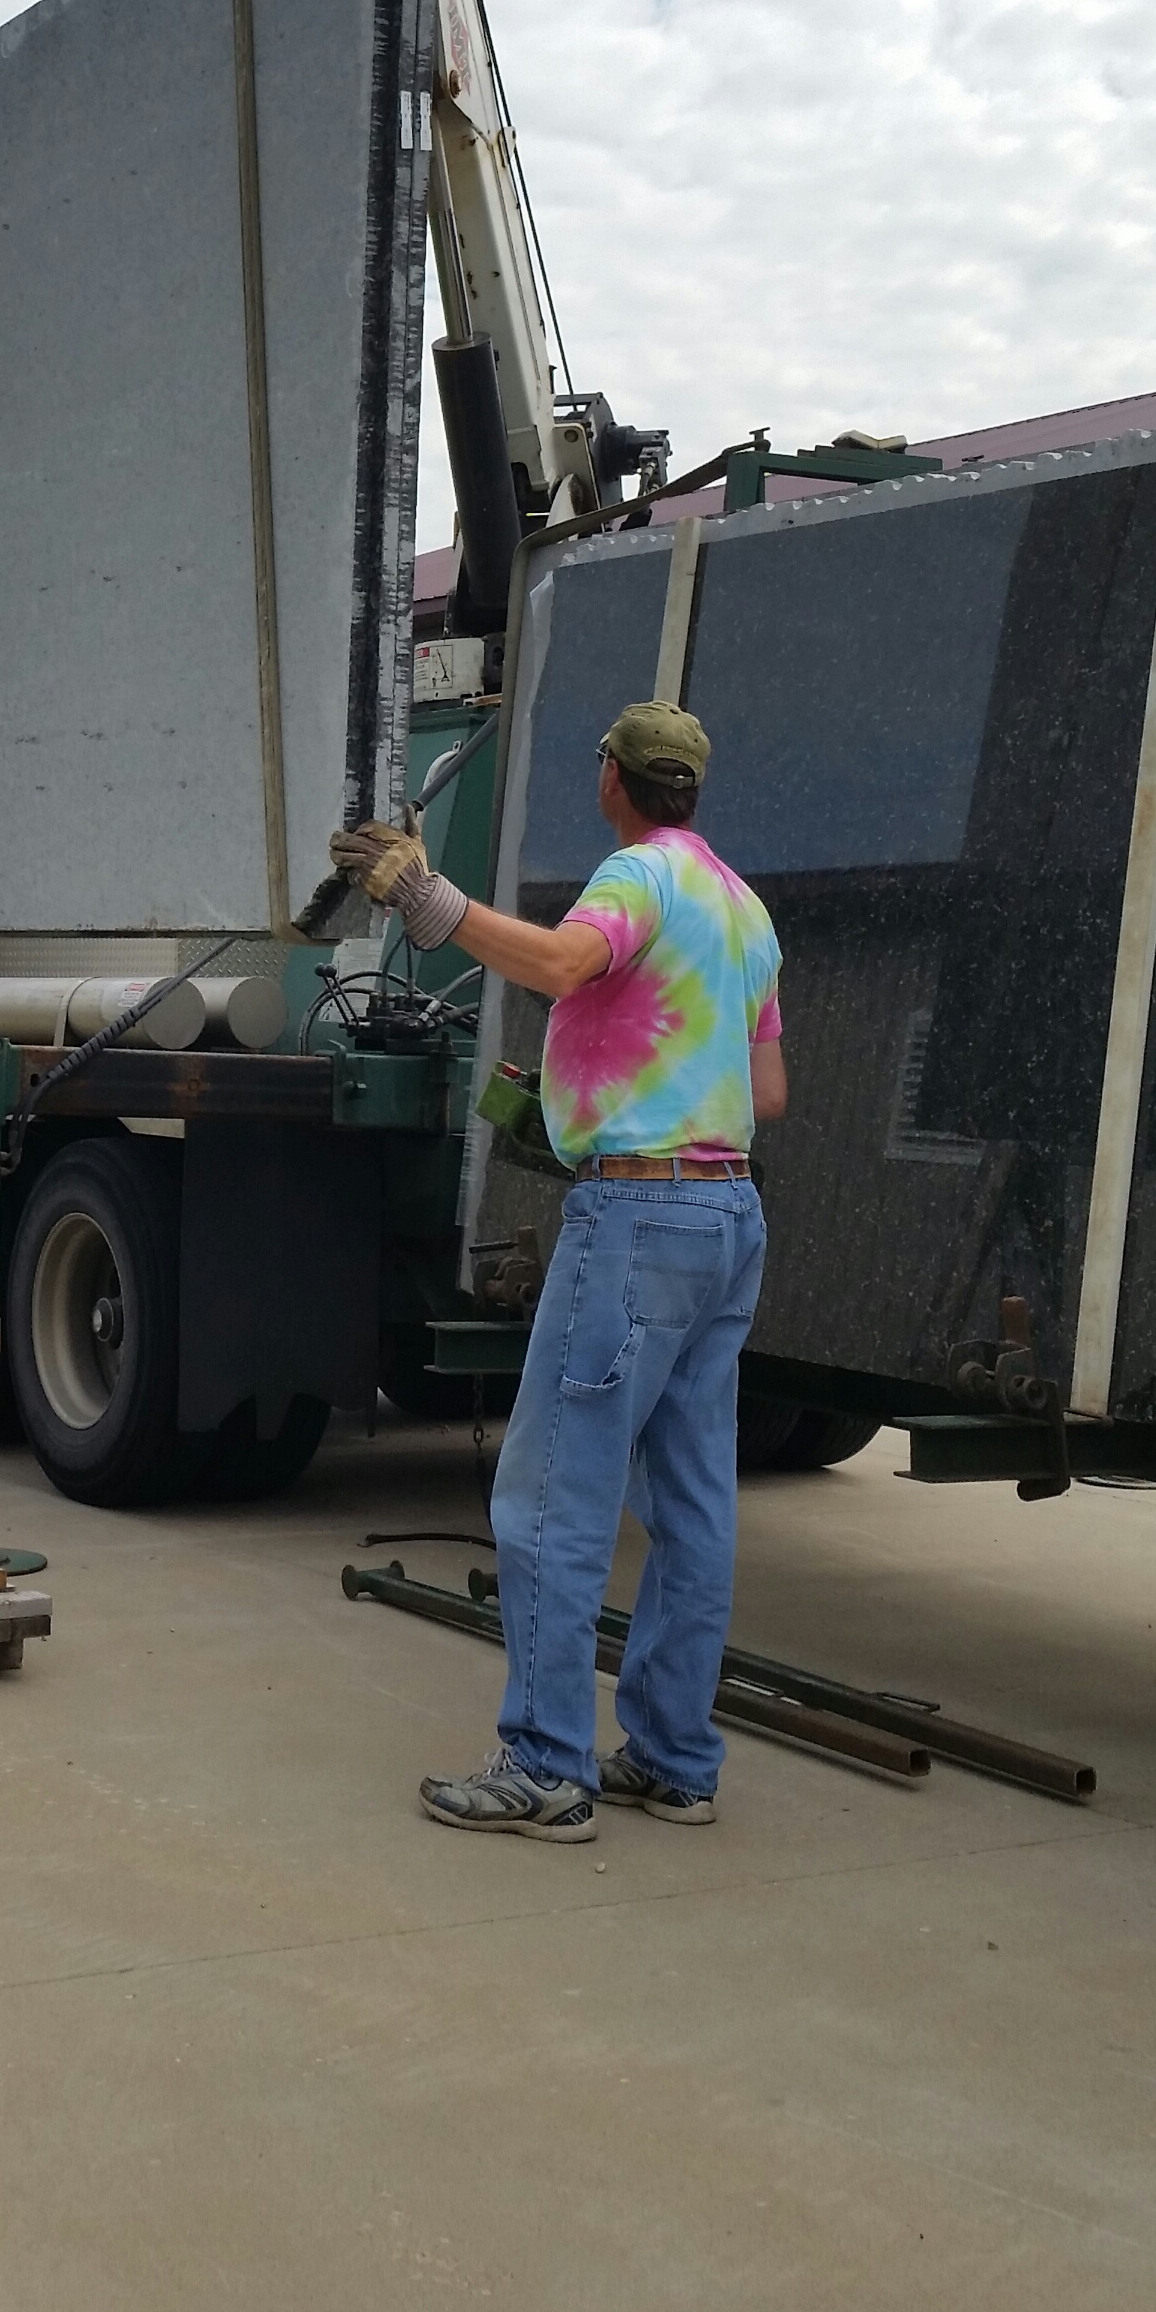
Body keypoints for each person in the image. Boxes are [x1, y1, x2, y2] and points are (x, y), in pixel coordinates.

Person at [331, 699, 787, 1845]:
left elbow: (555, 960)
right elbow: (766, 1094)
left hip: (636, 1215)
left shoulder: (638, 877)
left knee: (550, 1496)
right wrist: (616, 1079)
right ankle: (677, 1760)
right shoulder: (744, 909)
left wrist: (425, 900)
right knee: (693, 1504)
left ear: (613, 781)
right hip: (728, 1211)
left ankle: (543, 1764)